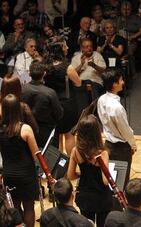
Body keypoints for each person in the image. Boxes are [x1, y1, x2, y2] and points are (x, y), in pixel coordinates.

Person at [0, 94, 47, 227]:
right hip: (26, 174)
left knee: (14, 207)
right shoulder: (25, 129)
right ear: (17, 109)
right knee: (29, 207)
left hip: (9, 174)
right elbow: (35, 154)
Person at [67, 114, 113, 227]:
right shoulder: (103, 153)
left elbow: (70, 176)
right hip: (101, 197)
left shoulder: (75, 151)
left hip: (84, 197)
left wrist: (81, 174)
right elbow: (105, 181)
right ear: (97, 132)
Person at [97, 69, 137, 188]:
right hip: (121, 148)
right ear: (114, 84)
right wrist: (133, 145)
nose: (123, 82)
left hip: (108, 144)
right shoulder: (117, 108)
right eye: (120, 80)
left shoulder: (101, 99)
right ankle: (121, 206)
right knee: (122, 182)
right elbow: (125, 131)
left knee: (111, 180)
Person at [44, 38, 81, 155]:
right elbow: (78, 83)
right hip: (66, 104)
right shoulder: (67, 67)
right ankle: (70, 164)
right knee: (68, 135)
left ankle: (58, 167)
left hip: (51, 104)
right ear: (60, 50)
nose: (68, 48)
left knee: (57, 136)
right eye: (65, 46)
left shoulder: (45, 66)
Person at [21, 61, 63, 147]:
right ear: (44, 73)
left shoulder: (22, 89)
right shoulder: (50, 93)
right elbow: (59, 114)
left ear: (29, 73)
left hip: (26, 130)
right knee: (49, 159)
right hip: (47, 133)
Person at [71, 38, 106, 112]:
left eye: (90, 46)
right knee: (84, 85)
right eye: (86, 47)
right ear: (82, 48)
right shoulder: (76, 58)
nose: (89, 48)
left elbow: (103, 71)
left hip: (96, 82)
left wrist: (94, 65)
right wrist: (81, 64)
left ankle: (94, 111)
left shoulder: (98, 55)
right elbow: (72, 75)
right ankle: (84, 114)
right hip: (81, 82)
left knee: (90, 84)